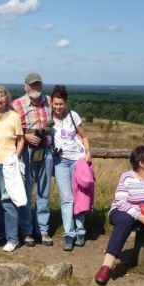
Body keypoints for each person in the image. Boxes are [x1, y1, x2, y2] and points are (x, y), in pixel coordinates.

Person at [95, 146, 144, 286]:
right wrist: (143, 218)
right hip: (126, 210)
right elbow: (121, 202)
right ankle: (106, 266)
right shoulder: (127, 177)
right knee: (124, 222)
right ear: (141, 163)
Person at [11, 72, 54, 246]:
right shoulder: (17, 105)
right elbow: (12, 129)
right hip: (27, 152)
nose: (35, 88)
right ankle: (27, 231)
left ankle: (43, 230)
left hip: (47, 152)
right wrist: (26, 137)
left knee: (44, 192)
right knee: (26, 192)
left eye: (38, 84)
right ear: (26, 86)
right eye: (32, 85)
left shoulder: (50, 102)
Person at [50, 85, 92, 251]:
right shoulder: (48, 117)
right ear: (51, 103)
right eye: (55, 104)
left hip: (77, 160)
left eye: (61, 104)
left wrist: (88, 152)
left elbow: (84, 136)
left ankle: (81, 231)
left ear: (66, 103)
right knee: (66, 199)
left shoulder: (73, 116)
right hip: (60, 161)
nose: (58, 107)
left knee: (79, 197)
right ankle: (69, 234)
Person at [0, 86, 25, 252]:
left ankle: (12, 238)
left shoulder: (14, 116)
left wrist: (15, 157)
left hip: (7, 165)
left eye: (2, 96)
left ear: (7, 99)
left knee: (7, 201)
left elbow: (21, 139)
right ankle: (0, 232)